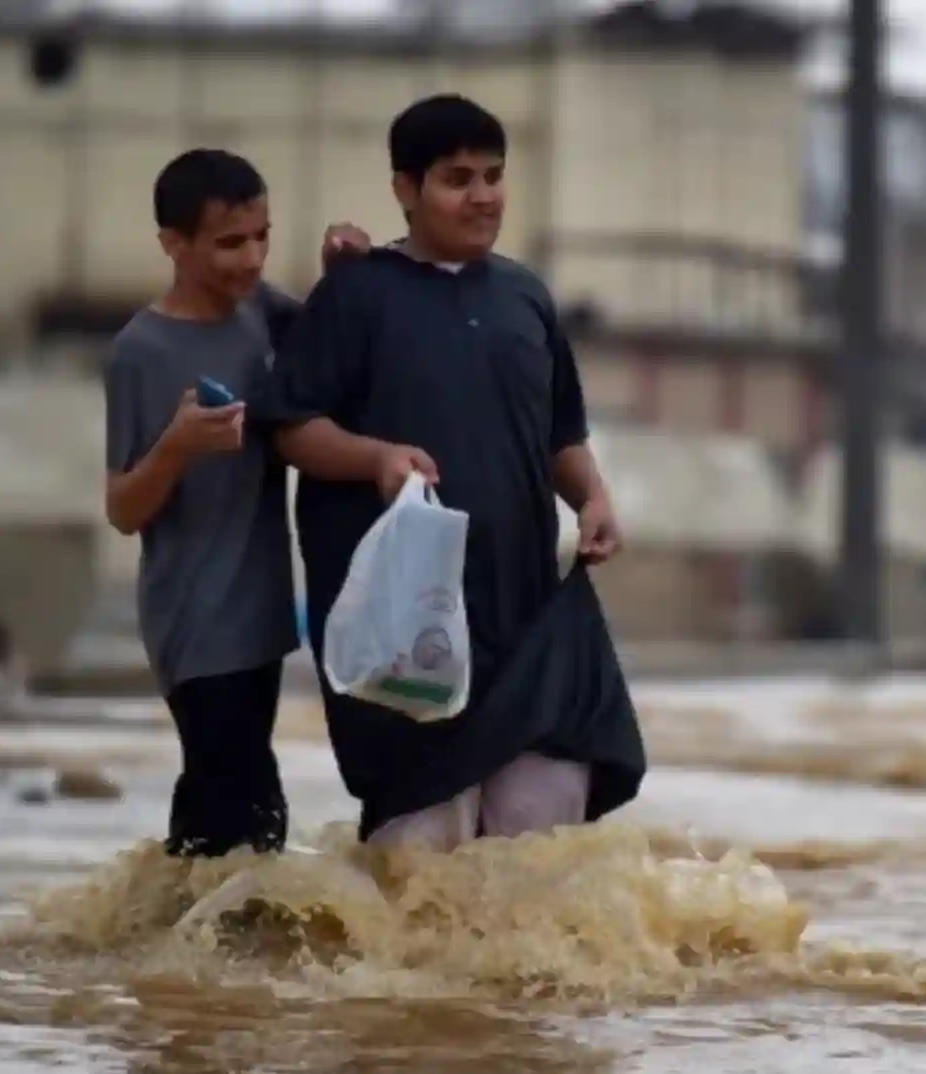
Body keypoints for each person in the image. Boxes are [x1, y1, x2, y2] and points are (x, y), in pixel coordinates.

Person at [261, 93, 646, 853]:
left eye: (494, 176)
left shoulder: (526, 296)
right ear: (406, 190)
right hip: (407, 629)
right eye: (457, 178)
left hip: (525, 619)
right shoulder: (357, 294)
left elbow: (559, 433)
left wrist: (593, 497)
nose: (483, 196)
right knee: (417, 866)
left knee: (536, 857)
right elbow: (291, 428)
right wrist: (375, 458)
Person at [103, 147, 370, 858]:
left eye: (262, 238)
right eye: (228, 243)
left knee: (218, 810)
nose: (251, 259)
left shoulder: (260, 312)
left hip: (260, 614)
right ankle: (206, 952)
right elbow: (123, 509)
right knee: (251, 813)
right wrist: (178, 445)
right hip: (193, 620)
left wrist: (342, 271)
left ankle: (159, 952)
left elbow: (327, 336)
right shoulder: (142, 349)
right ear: (173, 244)